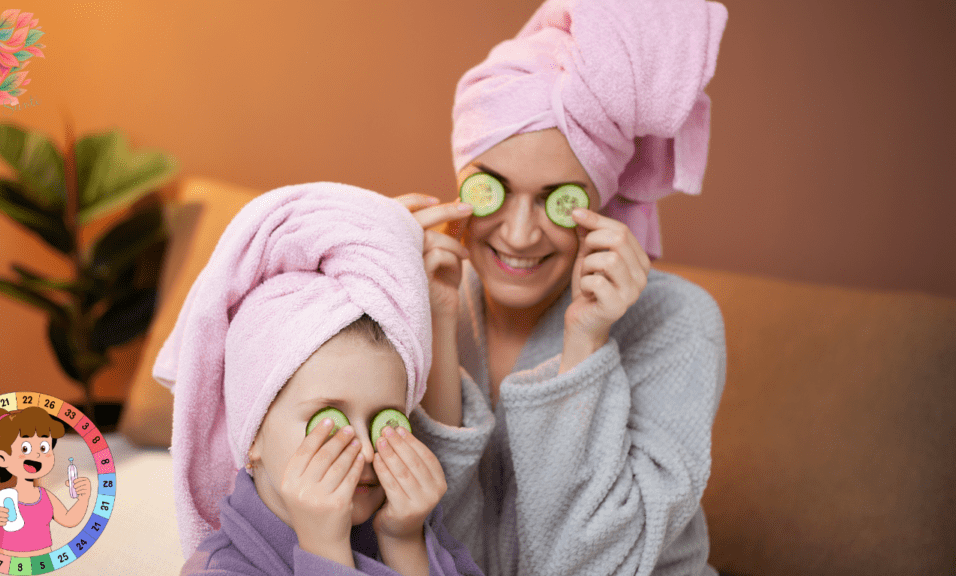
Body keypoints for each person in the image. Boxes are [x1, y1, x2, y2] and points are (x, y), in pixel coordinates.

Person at [395, 0, 729, 574]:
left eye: (558, 199)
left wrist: (585, 346)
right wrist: (434, 321)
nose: (520, 235)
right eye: (493, 190)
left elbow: (590, 563)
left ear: (599, 201)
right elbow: (434, 547)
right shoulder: (426, 296)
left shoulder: (678, 322)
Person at [153, 183, 484, 576]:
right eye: (329, 420)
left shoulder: (412, 530)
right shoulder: (219, 570)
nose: (365, 452)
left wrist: (404, 543)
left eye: (387, 421)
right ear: (252, 434)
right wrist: (324, 549)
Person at [0, 407, 93, 557]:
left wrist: (83, 498)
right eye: (25, 448)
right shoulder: (4, 498)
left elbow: (69, 519)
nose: (36, 455)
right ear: (2, 458)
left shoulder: (46, 497)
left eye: (44, 447)